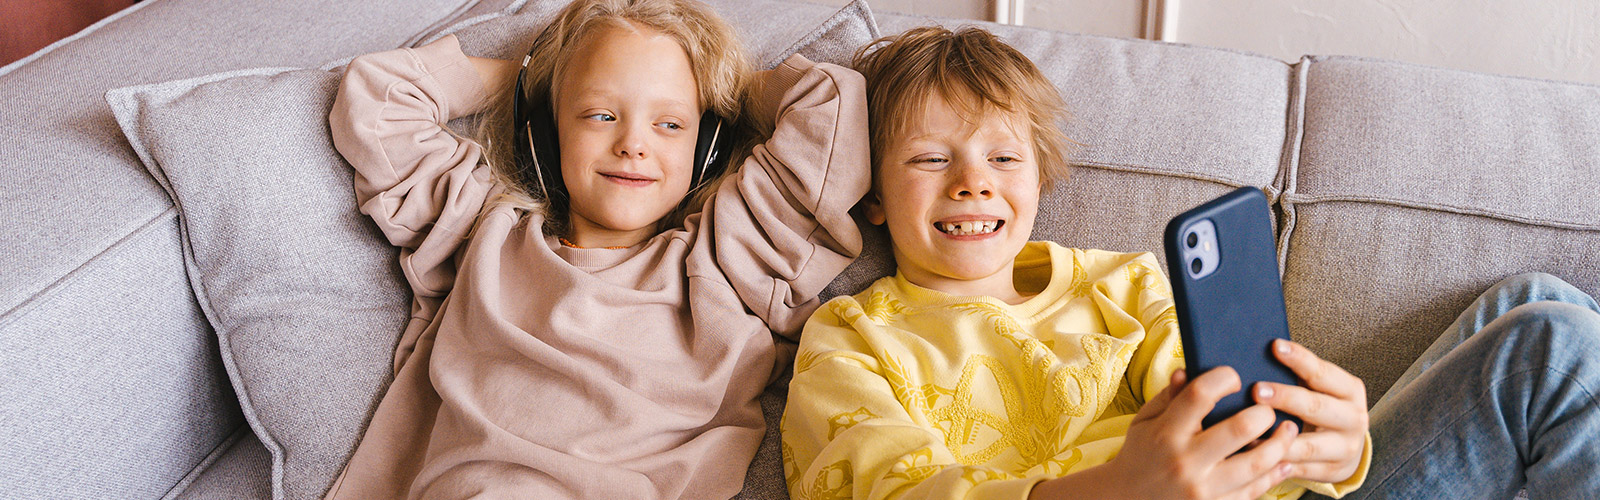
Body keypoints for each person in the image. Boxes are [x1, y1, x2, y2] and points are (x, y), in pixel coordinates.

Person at [783, 24, 1600, 500]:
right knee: (1555, 351)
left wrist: (1337, 450)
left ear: (1039, 177)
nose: (972, 183)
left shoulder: (1122, 284)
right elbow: (886, 490)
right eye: (930, 159)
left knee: (1543, 298)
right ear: (874, 193)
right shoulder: (850, 340)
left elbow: (1241, 437)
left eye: (1003, 159)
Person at [323, 0, 870, 497]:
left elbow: (832, 108)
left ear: (705, 146)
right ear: (544, 130)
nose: (633, 143)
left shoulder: (726, 258)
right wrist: (532, 81)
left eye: (671, 123)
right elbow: (379, 99)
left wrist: (726, 92)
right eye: (601, 114)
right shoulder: (481, 232)